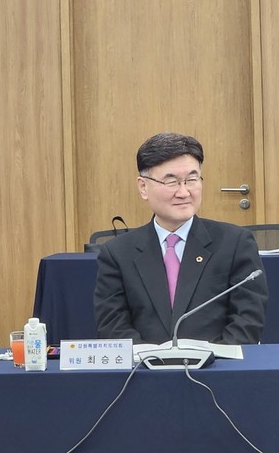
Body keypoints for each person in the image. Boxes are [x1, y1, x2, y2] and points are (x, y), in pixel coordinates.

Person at [94, 132, 268, 344]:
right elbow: (113, 326)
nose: (184, 192)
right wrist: (151, 360)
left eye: (191, 180)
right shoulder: (117, 253)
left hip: (216, 363)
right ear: (143, 187)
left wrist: (213, 359)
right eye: (171, 182)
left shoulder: (235, 243)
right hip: (143, 364)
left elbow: (247, 321)